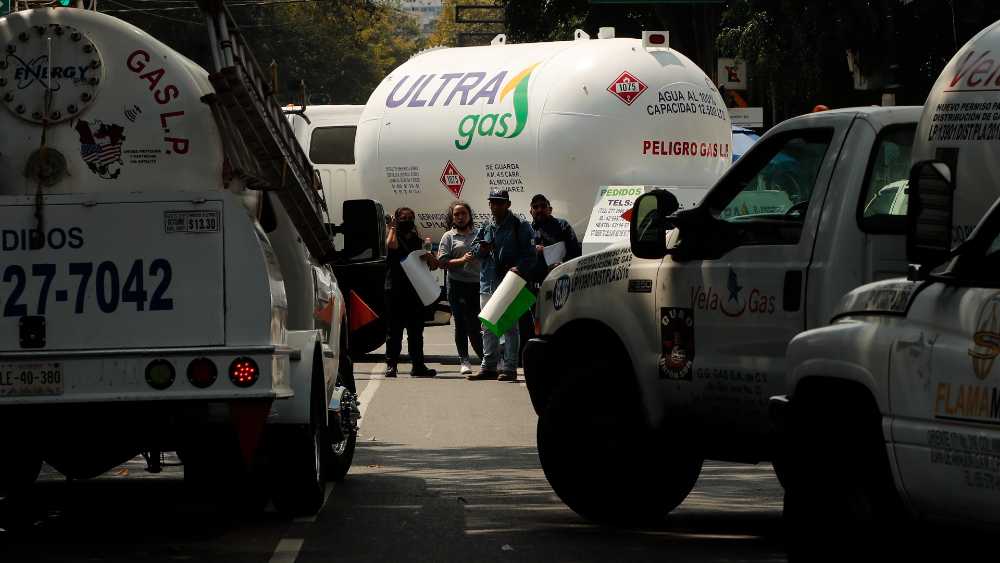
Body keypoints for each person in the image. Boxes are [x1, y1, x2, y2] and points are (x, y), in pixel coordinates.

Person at [469, 188, 537, 382]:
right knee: (488, 327)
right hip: (487, 282)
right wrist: (482, 250)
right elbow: (474, 251)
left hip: (510, 284)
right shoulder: (486, 225)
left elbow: (530, 256)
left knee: (510, 327)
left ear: (508, 204)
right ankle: (489, 365)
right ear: (489, 204)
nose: (496, 205)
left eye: (500, 202)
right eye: (493, 202)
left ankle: (510, 367)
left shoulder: (520, 225)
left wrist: (518, 268)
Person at [519, 193, 582, 359]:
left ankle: (562, 357)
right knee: (529, 325)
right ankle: (531, 358)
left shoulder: (562, 226)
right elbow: (517, 253)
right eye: (536, 207)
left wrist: (562, 265)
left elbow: (576, 252)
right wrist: (532, 250)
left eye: (543, 206)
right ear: (531, 211)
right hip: (530, 286)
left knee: (558, 323)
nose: (540, 210)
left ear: (550, 209)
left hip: (558, 285)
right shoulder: (525, 229)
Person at [384, 207, 439, 378]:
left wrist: (430, 257)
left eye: (410, 218)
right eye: (403, 218)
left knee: (416, 331)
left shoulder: (420, 242)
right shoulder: (393, 236)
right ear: (397, 219)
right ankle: (391, 365)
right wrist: (392, 227)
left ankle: (418, 365)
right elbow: (392, 245)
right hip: (395, 289)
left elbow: (435, 265)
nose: (407, 221)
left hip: (416, 290)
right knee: (394, 330)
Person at [438, 201, 484, 375]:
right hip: (457, 284)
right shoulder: (448, 237)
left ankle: (491, 358)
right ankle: (464, 360)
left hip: (478, 284)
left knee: (484, 322)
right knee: (461, 323)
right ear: (452, 217)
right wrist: (462, 260)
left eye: (463, 213)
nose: (460, 217)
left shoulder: (479, 233)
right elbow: (442, 263)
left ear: (470, 215)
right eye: (456, 214)